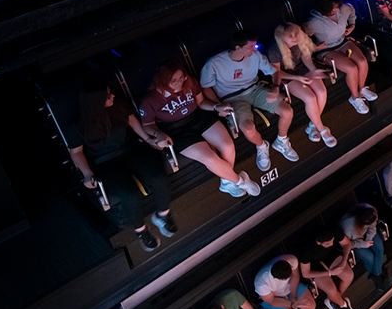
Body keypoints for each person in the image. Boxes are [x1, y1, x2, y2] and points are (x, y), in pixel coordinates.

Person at [68, 81, 173, 252]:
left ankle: (163, 215)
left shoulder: (119, 107)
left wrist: (149, 140)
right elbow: (76, 152)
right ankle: (141, 231)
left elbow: (134, 124)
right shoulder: (78, 126)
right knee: (129, 194)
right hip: (104, 161)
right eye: (109, 95)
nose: (113, 96)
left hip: (129, 148)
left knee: (158, 176)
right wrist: (87, 173)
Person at [139, 62, 261, 198]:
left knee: (227, 146)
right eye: (174, 81)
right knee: (209, 157)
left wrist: (216, 107)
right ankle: (240, 181)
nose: (179, 83)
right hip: (176, 131)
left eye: (181, 78)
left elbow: (201, 102)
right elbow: (148, 125)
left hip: (198, 118)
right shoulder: (151, 100)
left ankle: (227, 181)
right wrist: (159, 134)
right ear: (162, 81)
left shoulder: (189, 82)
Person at [199, 29, 299, 172]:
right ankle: (262, 146)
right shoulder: (214, 63)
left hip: (254, 89)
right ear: (238, 48)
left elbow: (274, 72)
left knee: (287, 111)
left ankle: (281, 141)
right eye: (251, 46)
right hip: (232, 98)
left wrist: (276, 88)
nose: (255, 49)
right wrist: (218, 105)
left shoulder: (256, 56)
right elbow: (205, 87)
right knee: (246, 127)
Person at [304, 0, 377, 114]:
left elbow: (351, 10)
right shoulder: (314, 22)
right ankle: (354, 97)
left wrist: (352, 25)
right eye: (333, 8)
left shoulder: (343, 9)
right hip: (327, 49)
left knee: (362, 61)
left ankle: (362, 88)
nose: (336, 9)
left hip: (342, 42)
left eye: (337, 6)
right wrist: (316, 47)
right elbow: (301, 39)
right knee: (351, 68)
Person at [269, 23, 337, 147]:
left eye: (296, 33)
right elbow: (277, 73)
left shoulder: (299, 42)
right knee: (310, 98)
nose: (295, 37)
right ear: (282, 37)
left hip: (303, 70)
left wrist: (313, 71)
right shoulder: (274, 50)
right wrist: (299, 78)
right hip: (288, 77)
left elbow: (306, 58)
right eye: (291, 36)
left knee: (321, 92)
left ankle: (313, 125)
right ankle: (321, 129)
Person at [298, 229, 357, 309]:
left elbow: (347, 244)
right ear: (319, 243)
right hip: (314, 266)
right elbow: (305, 273)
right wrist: (330, 273)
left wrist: (344, 261)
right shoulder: (307, 249)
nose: (332, 244)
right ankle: (343, 305)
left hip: (330, 256)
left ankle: (333, 301)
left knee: (349, 276)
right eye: (328, 244)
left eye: (332, 241)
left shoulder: (333, 231)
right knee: (331, 290)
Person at [341, 204, 386, 284]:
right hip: (355, 242)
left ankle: (376, 275)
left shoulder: (371, 211)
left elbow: (373, 226)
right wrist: (363, 244)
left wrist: (369, 238)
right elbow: (347, 244)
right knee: (370, 258)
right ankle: (378, 273)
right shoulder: (347, 227)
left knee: (380, 249)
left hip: (367, 234)